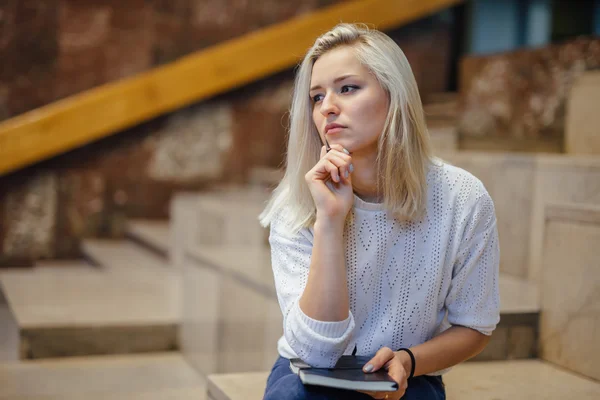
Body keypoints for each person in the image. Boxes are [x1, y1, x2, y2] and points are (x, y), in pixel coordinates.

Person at [259, 23, 500, 400]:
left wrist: (408, 360)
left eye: (347, 88)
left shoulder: (462, 198)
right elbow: (317, 352)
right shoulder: (297, 206)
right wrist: (329, 221)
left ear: (395, 94)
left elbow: (476, 326)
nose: (328, 108)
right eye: (317, 97)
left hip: (411, 372)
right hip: (308, 376)